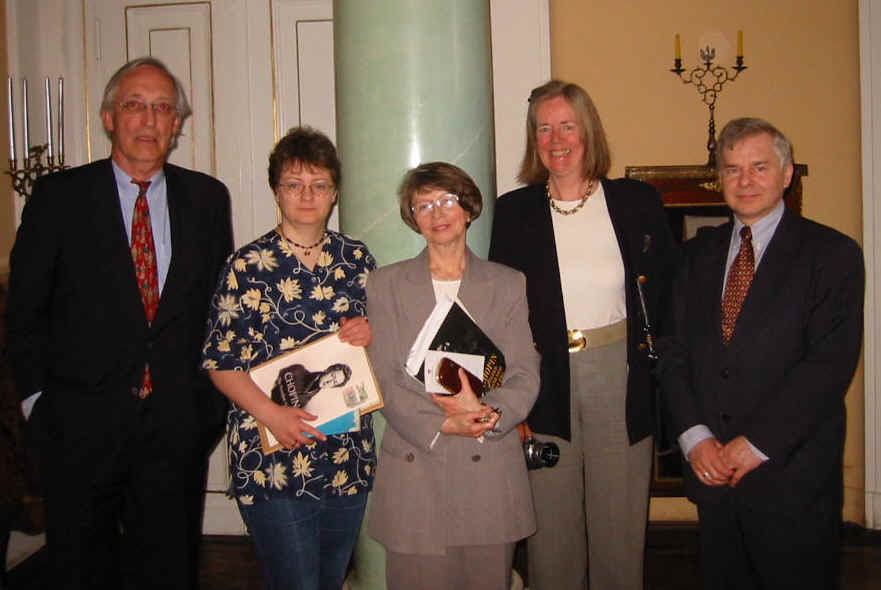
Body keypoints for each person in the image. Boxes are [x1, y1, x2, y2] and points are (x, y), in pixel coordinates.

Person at [5, 57, 233, 589]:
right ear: (109, 117)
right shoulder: (58, 198)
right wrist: (38, 404)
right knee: (81, 568)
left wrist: (209, 408)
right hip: (78, 427)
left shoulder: (206, 199)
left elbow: (218, 309)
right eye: (135, 105)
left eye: (163, 108)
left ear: (177, 123)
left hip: (176, 426)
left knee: (170, 568)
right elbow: (24, 311)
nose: (149, 120)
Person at [657, 117, 864, 590]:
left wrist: (755, 444)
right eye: (732, 169)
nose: (745, 181)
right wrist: (694, 438)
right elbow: (671, 352)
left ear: (786, 174)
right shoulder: (694, 255)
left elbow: (828, 366)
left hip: (792, 479)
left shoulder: (832, 254)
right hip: (713, 477)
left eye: (759, 167)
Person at [489, 80, 678, 590]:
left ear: (588, 131)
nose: (556, 140)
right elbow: (498, 313)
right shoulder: (514, 212)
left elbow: (667, 295)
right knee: (551, 531)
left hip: (618, 373)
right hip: (543, 376)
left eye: (567, 126)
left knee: (620, 526)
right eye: (544, 128)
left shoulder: (637, 202)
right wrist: (507, 396)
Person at [201, 126, 376, 590]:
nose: (307, 195)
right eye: (294, 184)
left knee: (330, 579)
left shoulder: (357, 259)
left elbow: (386, 345)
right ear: (276, 191)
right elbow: (221, 362)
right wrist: (273, 414)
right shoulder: (247, 266)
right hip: (272, 455)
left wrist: (371, 333)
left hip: (346, 455)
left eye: (319, 184)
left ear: (335, 192)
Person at [367, 162, 540, 590]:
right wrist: (443, 423)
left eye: (446, 200)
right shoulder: (385, 285)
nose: (437, 213)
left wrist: (488, 415)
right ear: (412, 217)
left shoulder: (508, 283)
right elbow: (384, 375)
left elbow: (524, 370)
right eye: (423, 205)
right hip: (415, 470)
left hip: (488, 468)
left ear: (467, 208)